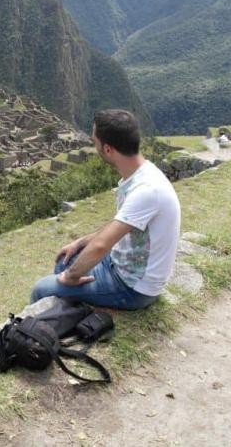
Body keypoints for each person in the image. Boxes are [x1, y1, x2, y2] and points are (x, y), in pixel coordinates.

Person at [30, 110, 181, 310]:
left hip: (133, 287)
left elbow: (102, 245)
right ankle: (68, 304)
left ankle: (35, 332)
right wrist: (80, 243)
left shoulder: (147, 190)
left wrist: (70, 277)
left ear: (108, 149)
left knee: (41, 289)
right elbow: (115, 228)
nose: (95, 146)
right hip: (122, 262)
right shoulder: (140, 175)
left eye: (95, 142)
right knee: (63, 261)